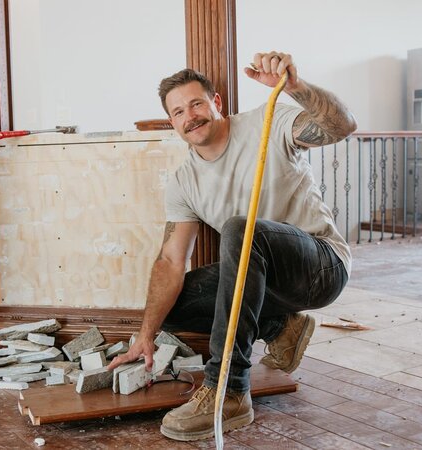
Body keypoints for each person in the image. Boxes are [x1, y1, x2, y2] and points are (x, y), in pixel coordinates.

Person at [107, 52, 356, 441]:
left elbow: (341, 126)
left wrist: (296, 88)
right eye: (178, 112)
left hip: (320, 267)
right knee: (169, 304)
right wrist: (146, 333)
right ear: (172, 123)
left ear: (216, 102)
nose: (189, 116)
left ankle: (230, 390)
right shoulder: (184, 181)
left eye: (196, 103)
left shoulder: (267, 122)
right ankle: (280, 326)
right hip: (262, 282)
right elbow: (171, 260)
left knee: (241, 229)